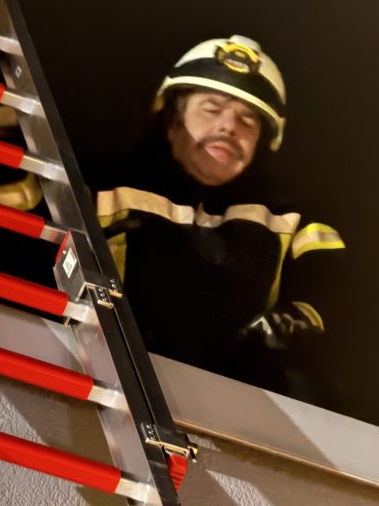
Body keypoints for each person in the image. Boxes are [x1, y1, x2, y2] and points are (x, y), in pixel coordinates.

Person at [95, 36, 345, 393]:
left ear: (261, 143)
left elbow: (336, 290)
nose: (230, 126)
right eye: (212, 109)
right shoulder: (101, 188)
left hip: (236, 407)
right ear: (172, 120)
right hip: (107, 381)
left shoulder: (292, 220)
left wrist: (294, 323)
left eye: (248, 120)